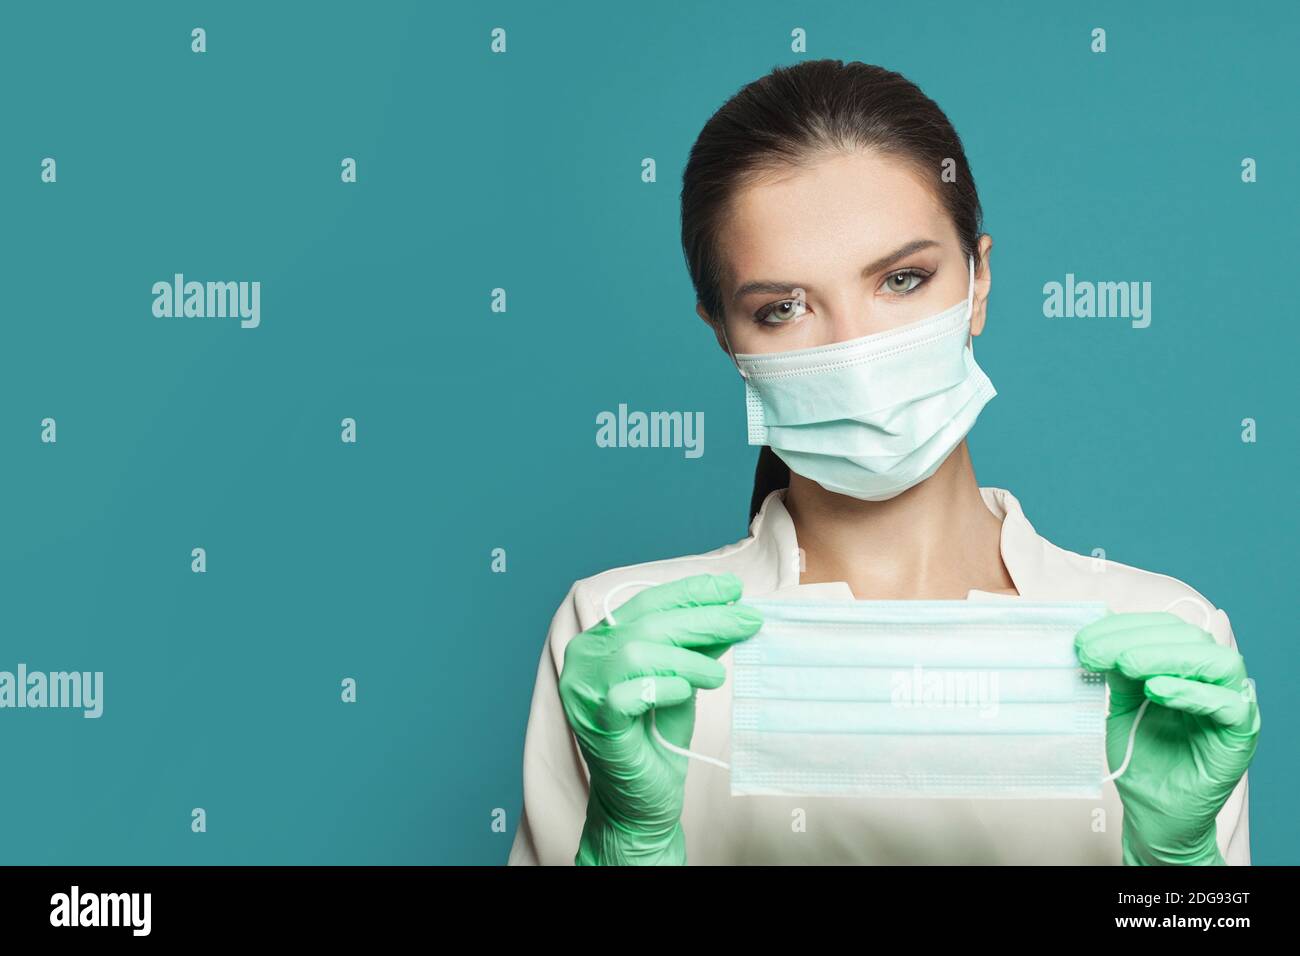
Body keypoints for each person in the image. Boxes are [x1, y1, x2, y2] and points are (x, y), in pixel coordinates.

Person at [508, 59, 1260, 866]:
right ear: (726, 336)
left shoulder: (1159, 640)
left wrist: (1179, 870)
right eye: (783, 308)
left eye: (903, 280)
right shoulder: (621, 636)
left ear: (978, 282)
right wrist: (626, 842)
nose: (856, 353)